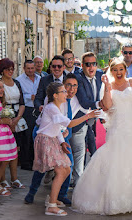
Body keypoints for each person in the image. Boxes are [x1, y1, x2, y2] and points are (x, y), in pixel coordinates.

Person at [71, 59, 132, 215]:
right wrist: (108, 88)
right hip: (117, 126)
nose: (118, 72)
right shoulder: (108, 85)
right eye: (115, 69)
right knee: (116, 158)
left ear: (125, 70)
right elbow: (107, 106)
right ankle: (117, 200)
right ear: (111, 71)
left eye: (121, 69)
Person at [33, 82, 98, 216]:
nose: (66, 93)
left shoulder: (58, 106)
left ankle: (52, 198)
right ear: (55, 95)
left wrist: (62, 142)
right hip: (46, 142)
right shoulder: (52, 107)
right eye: (63, 91)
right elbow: (69, 123)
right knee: (62, 171)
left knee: (66, 169)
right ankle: (51, 206)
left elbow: (57, 128)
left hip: (54, 141)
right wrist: (87, 116)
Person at [0, 58, 25, 189]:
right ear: (2, 70)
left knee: (15, 150)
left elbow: (22, 103)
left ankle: (14, 178)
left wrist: (17, 118)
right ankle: (2, 179)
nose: (10, 71)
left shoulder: (17, 83)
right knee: (5, 152)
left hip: (17, 117)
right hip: (4, 117)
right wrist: (8, 120)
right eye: (8, 69)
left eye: (12, 69)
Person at [74, 52, 104, 156]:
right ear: (82, 66)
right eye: (88, 64)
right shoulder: (78, 78)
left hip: (97, 116)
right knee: (88, 147)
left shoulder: (101, 74)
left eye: (94, 64)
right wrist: (100, 104)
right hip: (82, 118)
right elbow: (84, 102)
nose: (91, 67)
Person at [16, 60, 41, 170]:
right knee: (27, 136)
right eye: (28, 68)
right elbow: (18, 96)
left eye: (32, 68)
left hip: (38, 110)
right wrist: (29, 97)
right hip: (26, 110)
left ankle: (34, 161)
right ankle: (26, 163)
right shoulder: (19, 80)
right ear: (24, 69)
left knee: (36, 136)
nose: (30, 70)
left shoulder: (40, 79)